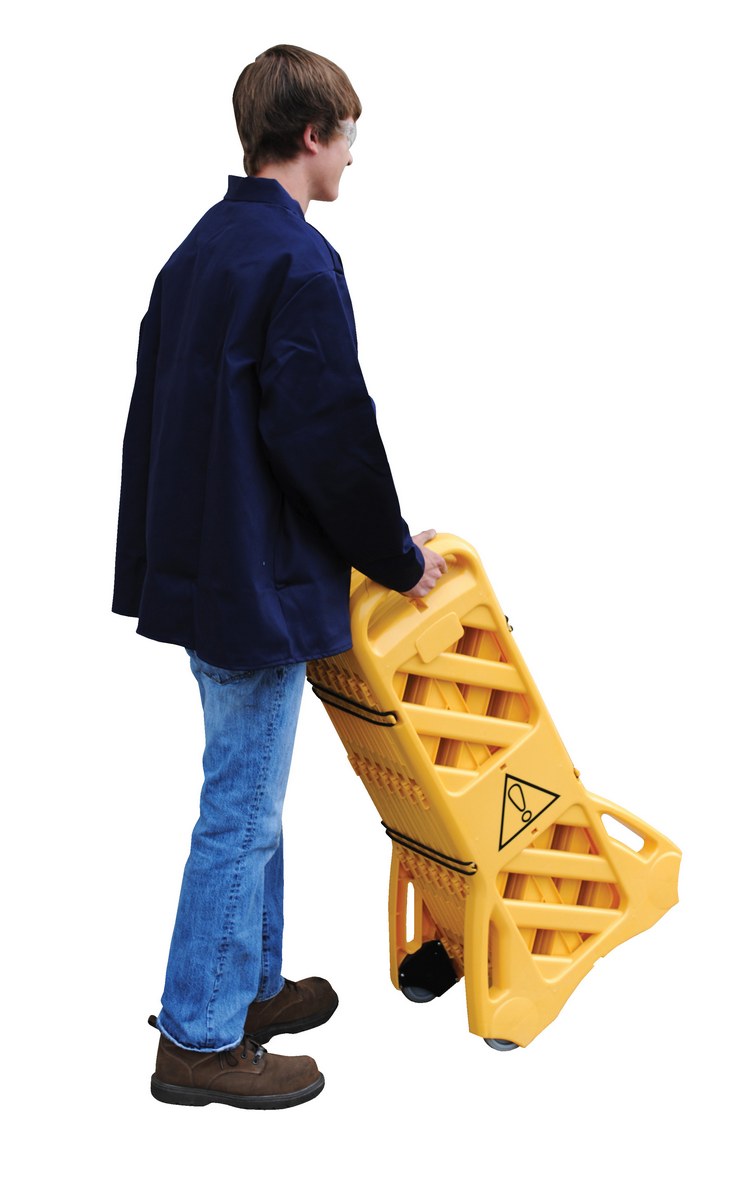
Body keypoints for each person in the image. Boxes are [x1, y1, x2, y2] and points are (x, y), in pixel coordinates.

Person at [112, 44, 446, 1110]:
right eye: (347, 138)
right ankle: (200, 1039)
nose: (351, 158)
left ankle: (247, 987)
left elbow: (160, 421)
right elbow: (328, 436)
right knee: (241, 810)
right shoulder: (296, 262)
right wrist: (397, 559)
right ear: (311, 136)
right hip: (256, 581)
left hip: (207, 571)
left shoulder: (201, 250)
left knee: (250, 791)